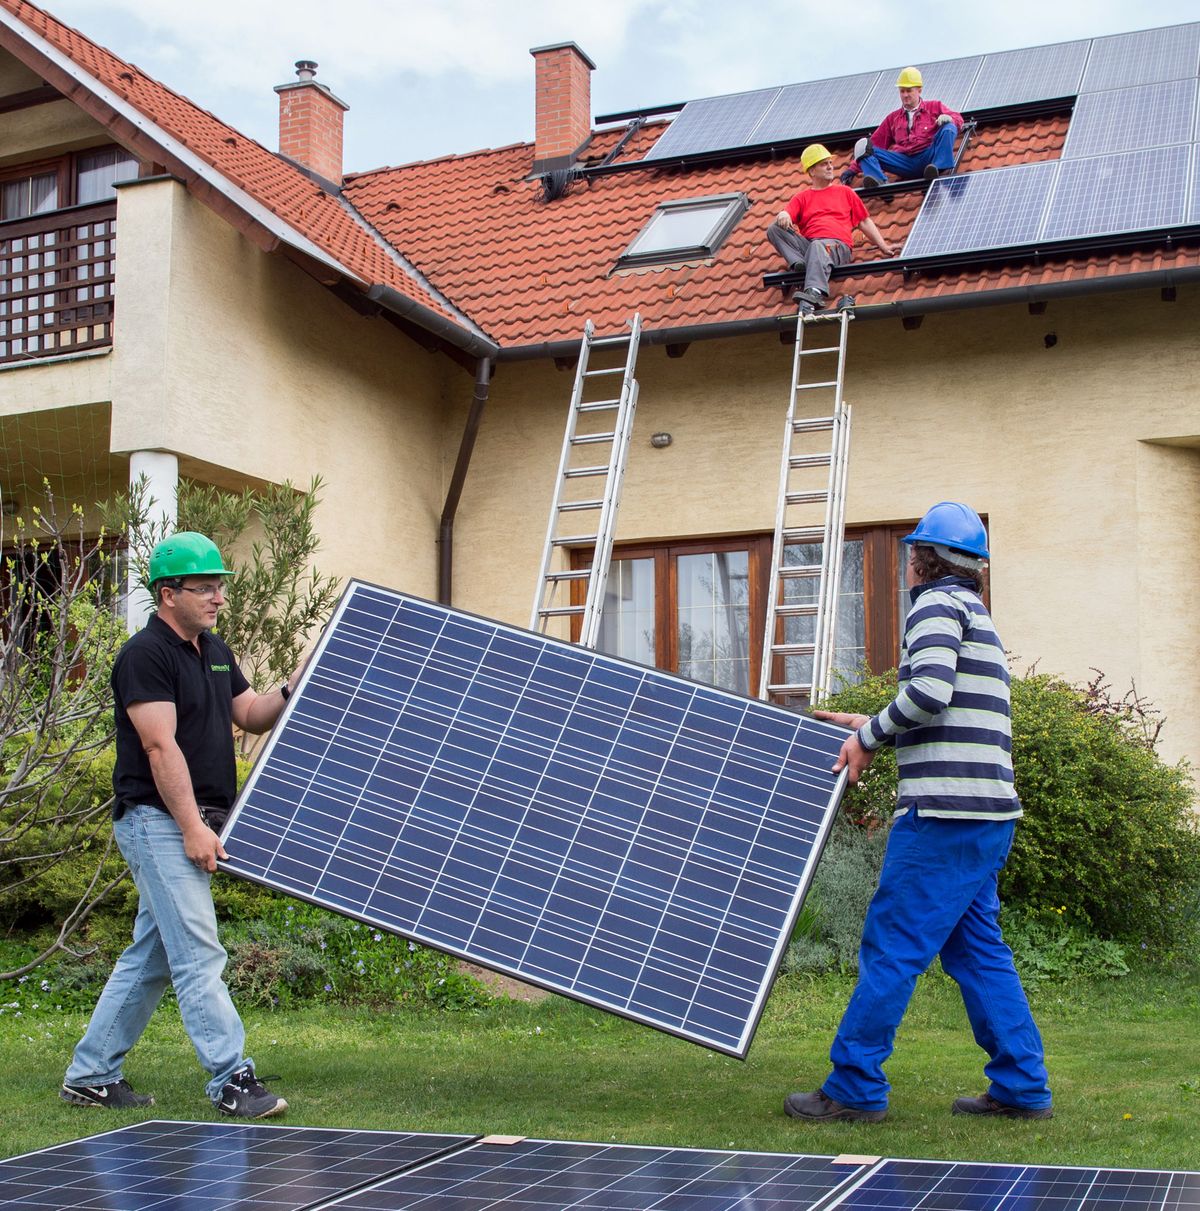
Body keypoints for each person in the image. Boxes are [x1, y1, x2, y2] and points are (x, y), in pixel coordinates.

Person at [785, 502, 1052, 1123]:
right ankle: (1021, 1085)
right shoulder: (976, 614)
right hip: (987, 816)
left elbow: (930, 693)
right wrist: (877, 724)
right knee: (977, 951)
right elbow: (947, 707)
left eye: (912, 553)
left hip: (941, 816)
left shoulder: (933, 605)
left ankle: (852, 1089)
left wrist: (867, 739)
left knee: (892, 947)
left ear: (924, 560)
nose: (908, 563)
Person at [62, 532, 299, 1118]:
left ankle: (90, 1074)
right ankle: (230, 1079)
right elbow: (159, 746)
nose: (218, 597)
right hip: (157, 820)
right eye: (205, 587)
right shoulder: (146, 655)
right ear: (168, 594)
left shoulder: (212, 648)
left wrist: (293, 687)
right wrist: (193, 826)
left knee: (153, 956)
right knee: (198, 952)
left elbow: (249, 712)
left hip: (192, 820)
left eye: (220, 586)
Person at [767, 144, 896, 314]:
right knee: (774, 229)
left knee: (818, 246)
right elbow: (787, 214)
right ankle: (802, 263)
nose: (830, 167)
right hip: (812, 246)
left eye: (830, 163)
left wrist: (883, 246)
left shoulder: (845, 192)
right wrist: (784, 215)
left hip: (837, 247)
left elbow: (864, 221)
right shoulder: (802, 197)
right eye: (824, 164)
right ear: (812, 171)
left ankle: (814, 292)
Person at [844, 67, 963, 187]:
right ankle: (879, 182)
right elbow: (874, 144)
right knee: (863, 145)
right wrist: (853, 169)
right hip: (905, 162)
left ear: (919, 90)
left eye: (909, 90)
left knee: (949, 127)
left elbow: (958, 119)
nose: (905, 95)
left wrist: (950, 119)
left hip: (929, 158)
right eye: (902, 91)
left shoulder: (934, 106)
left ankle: (940, 167)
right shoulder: (892, 118)